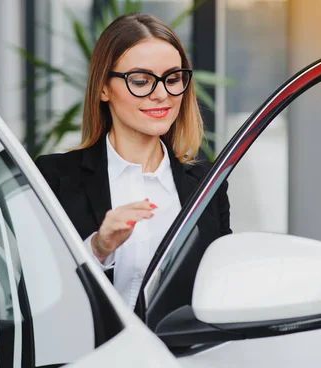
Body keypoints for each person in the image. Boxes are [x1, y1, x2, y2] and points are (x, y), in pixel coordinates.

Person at [35, 13, 231, 314]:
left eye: (173, 78)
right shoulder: (54, 178)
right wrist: (98, 248)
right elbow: (34, 291)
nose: (162, 94)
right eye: (141, 81)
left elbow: (222, 290)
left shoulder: (207, 184)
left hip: (180, 359)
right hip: (90, 359)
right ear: (103, 88)